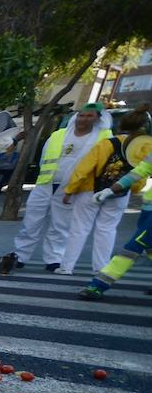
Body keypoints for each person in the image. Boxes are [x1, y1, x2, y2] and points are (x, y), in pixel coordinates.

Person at [11, 104, 110, 270]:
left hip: (72, 188)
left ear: (98, 119)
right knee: (31, 223)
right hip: (45, 184)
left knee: (61, 225)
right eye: (81, 115)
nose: (83, 119)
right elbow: (44, 159)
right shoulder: (58, 135)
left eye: (89, 116)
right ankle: (19, 256)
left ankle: (54, 259)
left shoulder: (102, 138)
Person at [59, 106, 151, 276]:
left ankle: (66, 266)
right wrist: (132, 188)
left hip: (91, 190)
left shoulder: (107, 143)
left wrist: (70, 189)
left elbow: (85, 167)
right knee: (107, 229)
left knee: (79, 228)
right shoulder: (145, 147)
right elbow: (141, 174)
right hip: (120, 193)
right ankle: (100, 268)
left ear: (121, 126)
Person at [78, 146, 152, 300]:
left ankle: (98, 285)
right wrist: (110, 190)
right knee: (150, 247)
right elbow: (138, 172)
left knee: (133, 247)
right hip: (147, 210)